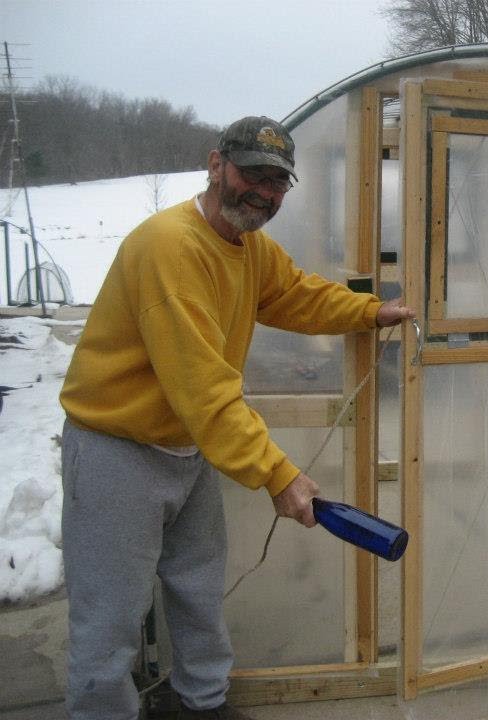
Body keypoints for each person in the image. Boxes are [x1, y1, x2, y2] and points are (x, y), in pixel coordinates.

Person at [58, 116, 415, 720]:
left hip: (187, 448)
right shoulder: (169, 247)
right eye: (253, 174)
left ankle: (203, 703)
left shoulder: (248, 248)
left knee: (197, 588)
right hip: (118, 449)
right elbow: (204, 389)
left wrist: (371, 312)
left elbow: (296, 295)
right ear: (216, 164)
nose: (266, 192)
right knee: (110, 613)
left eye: (278, 182)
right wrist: (277, 472)